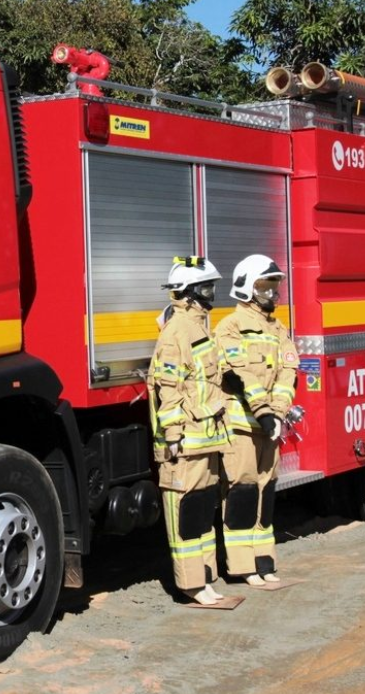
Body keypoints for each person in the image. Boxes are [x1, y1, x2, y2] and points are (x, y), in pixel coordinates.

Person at [147, 256, 231, 605]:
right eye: (206, 288)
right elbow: (168, 387)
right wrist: (173, 436)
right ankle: (191, 585)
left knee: (200, 513)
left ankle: (205, 578)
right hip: (185, 443)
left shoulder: (199, 328)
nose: (211, 294)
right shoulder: (176, 332)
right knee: (184, 516)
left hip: (205, 439)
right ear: (188, 292)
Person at [215, 255, 299, 586]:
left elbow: (288, 374)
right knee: (243, 492)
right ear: (247, 289)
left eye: (275, 286)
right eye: (265, 286)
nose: (273, 294)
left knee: (267, 491)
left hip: (269, 426)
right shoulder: (230, 327)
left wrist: (277, 412)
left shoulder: (278, 329)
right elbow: (239, 375)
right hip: (241, 427)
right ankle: (243, 567)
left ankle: (264, 561)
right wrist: (264, 412)